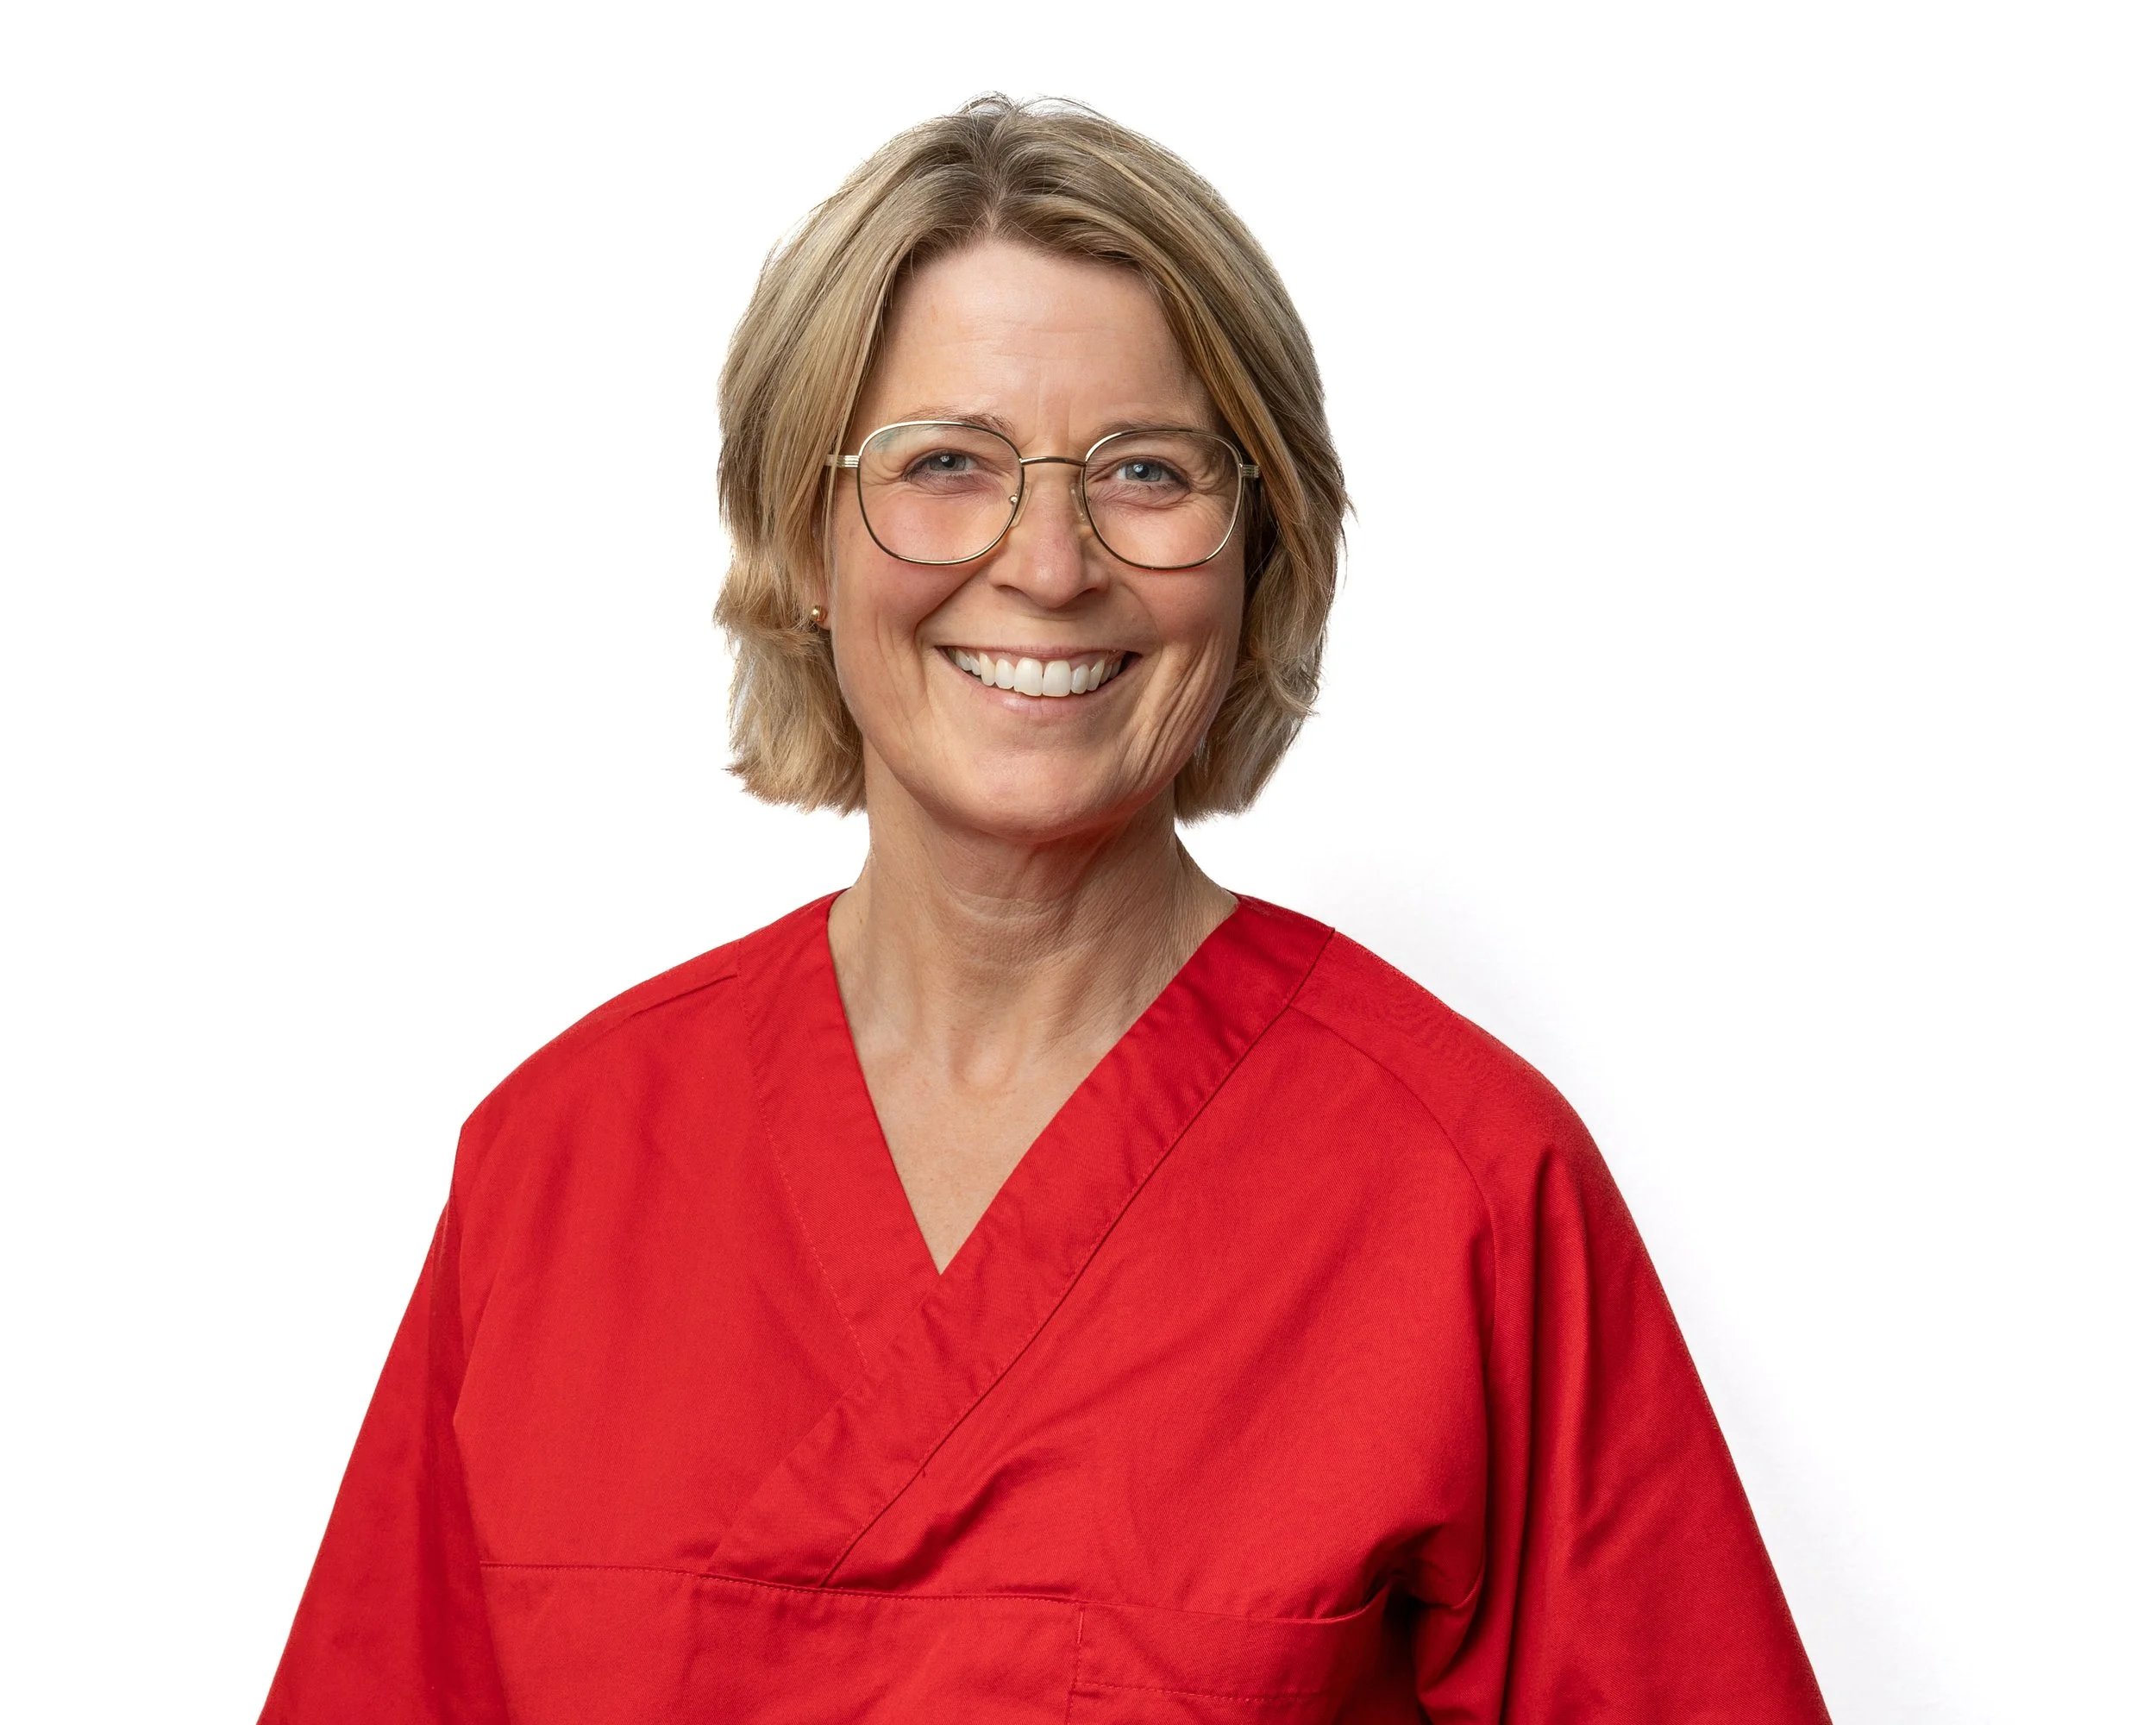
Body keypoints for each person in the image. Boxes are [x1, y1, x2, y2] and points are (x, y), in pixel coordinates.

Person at [261, 96, 1830, 1723]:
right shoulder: (560, 1167)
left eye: (1146, 472)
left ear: (1256, 549)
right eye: (946, 466)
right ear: (800, 537)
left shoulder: (1468, 1192)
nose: (1054, 563)